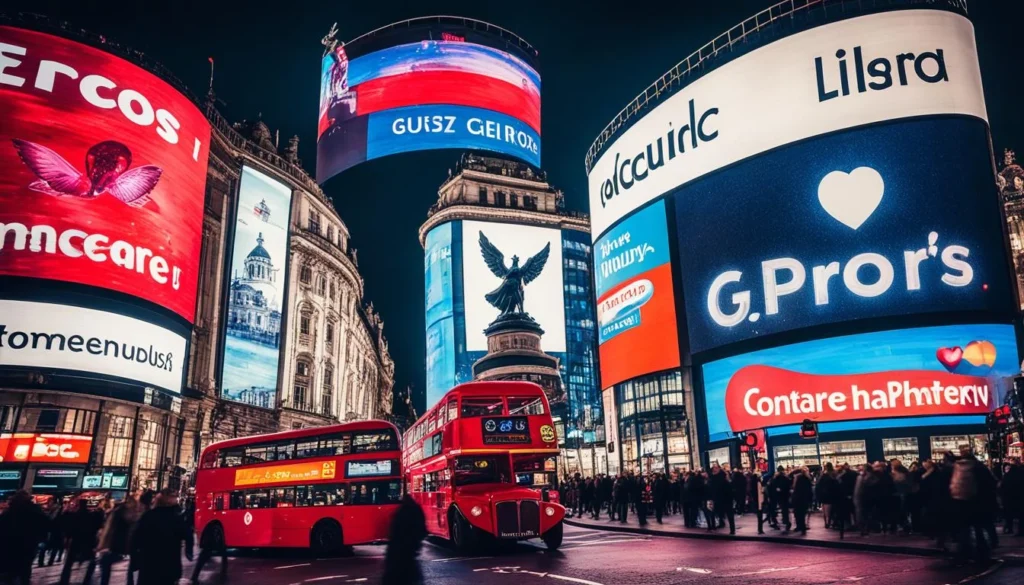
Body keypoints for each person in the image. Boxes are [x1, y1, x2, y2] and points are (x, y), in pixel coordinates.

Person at [131, 489, 194, 585]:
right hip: (170, 564)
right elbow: (188, 534)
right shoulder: (176, 518)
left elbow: (135, 538)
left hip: (149, 563)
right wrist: (188, 551)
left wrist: (135, 560)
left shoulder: (148, 516)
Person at [84, 495, 140, 585]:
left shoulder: (119, 514)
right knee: (108, 569)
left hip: (118, 548)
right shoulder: (126, 515)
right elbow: (109, 531)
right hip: (121, 549)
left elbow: (108, 530)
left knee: (104, 569)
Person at [0, 490, 48, 585]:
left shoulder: (10, 512)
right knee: (25, 568)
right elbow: (46, 525)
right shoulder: (35, 511)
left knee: (9, 570)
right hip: (28, 544)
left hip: (10, 545)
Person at [381, 495, 427, 585]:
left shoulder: (399, 512)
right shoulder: (416, 510)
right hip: (409, 552)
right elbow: (422, 530)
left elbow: (393, 532)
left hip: (397, 553)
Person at [59, 497, 104, 585]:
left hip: (76, 540)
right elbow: (98, 525)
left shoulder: (74, 515)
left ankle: (64, 580)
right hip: (88, 541)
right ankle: (87, 579)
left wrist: (67, 537)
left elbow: (66, 526)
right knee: (91, 561)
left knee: (69, 563)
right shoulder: (91, 515)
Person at [708, 464, 735, 534]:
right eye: (713, 468)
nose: (714, 469)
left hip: (726, 498)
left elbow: (729, 487)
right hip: (716, 498)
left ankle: (732, 529)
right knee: (714, 512)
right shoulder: (712, 477)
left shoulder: (723, 476)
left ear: (719, 469)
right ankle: (718, 525)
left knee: (729, 514)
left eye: (716, 468)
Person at [999, 459, 1023, 536]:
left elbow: (1002, 487)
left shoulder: (1007, 475)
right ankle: (1021, 530)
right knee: (1021, 515)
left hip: (1009, 498)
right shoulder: (1021, 474)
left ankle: (1009, 528)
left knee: (1009, 515)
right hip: (1019, 497)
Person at [815, 463, 838, 529]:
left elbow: (818, 484)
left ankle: (827, 523)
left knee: (825, 510)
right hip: (833, 495)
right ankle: (832, 522)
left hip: (825, 495)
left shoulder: (824, 475)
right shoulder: (834, 474)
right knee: (832, 510)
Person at [791, 467, 813, 535]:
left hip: (798, 499)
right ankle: (802, 528)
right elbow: (810, 491)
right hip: (805, 499)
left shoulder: (798, 479)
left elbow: (795, 489)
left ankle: (800, 527)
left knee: (798, 514)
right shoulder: (807, 479)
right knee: (802, 514)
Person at [769, 466, 791, 532]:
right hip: (784, 496)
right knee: (785, 510)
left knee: (780, 510)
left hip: (777, 496)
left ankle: (779, 522)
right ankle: (786, 523)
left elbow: (771, 486)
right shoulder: (785, 478)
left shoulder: (775, 478)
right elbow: (788, 486)